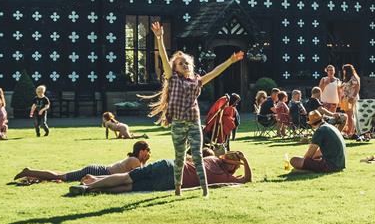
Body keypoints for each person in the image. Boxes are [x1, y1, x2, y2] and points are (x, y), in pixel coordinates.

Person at [143, 21, 244, 197]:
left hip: (194, 122)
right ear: (175, 68)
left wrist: (230, 60)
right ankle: (177, 188)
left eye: (187, 63)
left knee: (197, 155)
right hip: (178, 124)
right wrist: (159, 38)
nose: (185, 65)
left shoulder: (196, 81)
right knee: (180, 157)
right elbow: (164, 59)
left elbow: (215, 73)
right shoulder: (172, 79)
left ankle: (205, 190)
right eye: (181, 63)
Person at [72, 150, 252, 195]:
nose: (236, 169)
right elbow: (246, 180)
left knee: (127, 177)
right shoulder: (225, 177)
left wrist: (237, 160)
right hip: (170, 181)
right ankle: (92, 189)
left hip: (167, 165)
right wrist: (244, 162)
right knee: (130, 187)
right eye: (236, 166)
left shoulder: (211, 159)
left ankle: (91, 185)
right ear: (232, 165)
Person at [14, 140, 151, 183]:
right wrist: (145, 162)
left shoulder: (133, 159)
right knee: (61, 176)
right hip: (97, 171)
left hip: (98, 170)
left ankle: (33, 175)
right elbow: (139, 176)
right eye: (147, 151)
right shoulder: (134, 160)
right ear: (142, 151)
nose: (149, 154)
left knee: (62, 175)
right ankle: (29, 171)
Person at [340, 63, 361, 136]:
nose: (343, 72)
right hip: (346, 98)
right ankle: (349, 130)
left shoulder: (353, 77)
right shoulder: (347, 78)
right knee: (348, 115)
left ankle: (350, 131)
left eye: (344, 70)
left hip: (351, 98)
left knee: (350, 115)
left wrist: (352, 97)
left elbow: (357, 87)